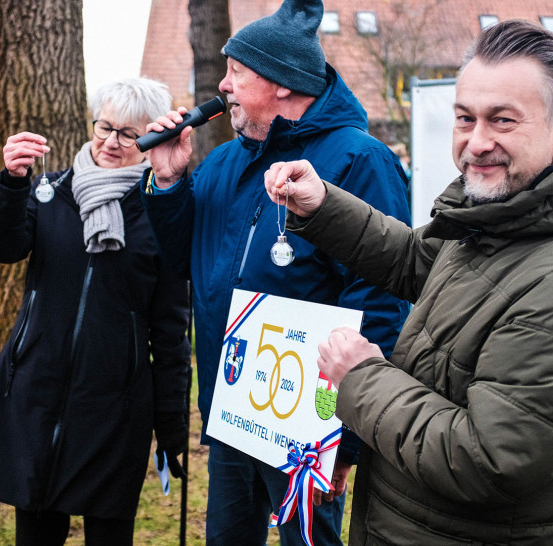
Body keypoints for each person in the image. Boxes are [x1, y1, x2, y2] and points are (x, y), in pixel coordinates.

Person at [263, 19, 553, 545]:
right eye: (465, 118)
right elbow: (414, 261)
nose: (476, 142)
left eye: (503, 120)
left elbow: (488, 460)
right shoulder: (505, 214)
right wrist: (324, 206)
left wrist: (362, 377)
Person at [139, 0, 411, 543]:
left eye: (237, 72)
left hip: (310, 426)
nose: (225, 85)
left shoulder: (359, 160)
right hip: (237, 409)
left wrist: (346, 439)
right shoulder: (224, 162)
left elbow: (381, 301)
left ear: (282, 84)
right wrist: (169, 183)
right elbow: (185, 263)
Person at [0, 77, 192, 546]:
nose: (111, 142)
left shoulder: (159, 212)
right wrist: (12, 182)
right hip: (37, 395)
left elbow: (170, 333)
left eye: (129, 133)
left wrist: (172, 428)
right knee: (36, 533)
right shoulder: (50, 192)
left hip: (114, 409)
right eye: (104, 127)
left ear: (153, 139)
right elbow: (1, 247)